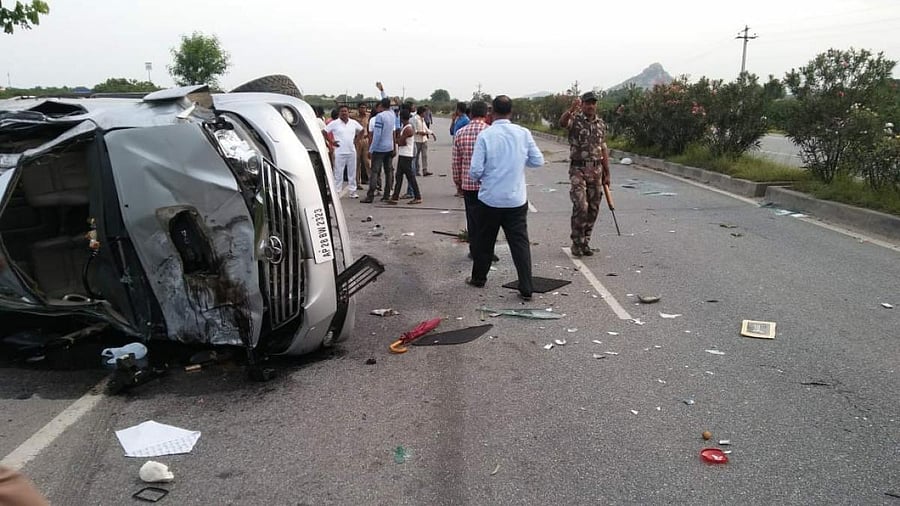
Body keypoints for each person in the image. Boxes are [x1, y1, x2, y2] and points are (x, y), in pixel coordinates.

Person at [467, 95, 544, 301]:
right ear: (511, 112)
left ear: (492, 112)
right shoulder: (523, 133)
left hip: (490, 199)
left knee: (485, 241)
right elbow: (538, 161)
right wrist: (518, 162)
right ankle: (526, 286)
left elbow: (474, 171)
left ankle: (479, 278)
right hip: (516, 199)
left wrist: (488, 176)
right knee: (519, 243)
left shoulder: (486, 135)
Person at [559, 91, 611, 257]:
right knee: (582, 206)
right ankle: (577, 241)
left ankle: (585, 241)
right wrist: (570, 110)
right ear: (582, 105)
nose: (591, 106)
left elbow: (603, 148)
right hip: (578, 170)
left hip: (596, 171)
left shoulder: (601, 124)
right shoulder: (575, 121)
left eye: (593, 103)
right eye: (588, 103)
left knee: (594, 208)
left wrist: (607, 172)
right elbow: (562, 123)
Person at [452, 100, 496, 262]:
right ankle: (488, 251)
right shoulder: (491, 132)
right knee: (489, 220)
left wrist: (458, 182)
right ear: (486, 114)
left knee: (472, 219)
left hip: (469, 184)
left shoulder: (461, 133)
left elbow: (456, 162)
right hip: (488, 185)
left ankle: (475, 249)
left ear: (470, 114)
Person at [361, 97, 397, 203]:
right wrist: (382, 91)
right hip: (389, 147)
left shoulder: (379, 117)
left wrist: (371, 149)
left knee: (375, 172)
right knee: (388, 172)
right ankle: (387, 194)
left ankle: (370, 195)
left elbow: (377, 135)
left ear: (381, 106)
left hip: (379, 148)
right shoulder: (392, 114)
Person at [325, 105, 364, 198]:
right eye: (342, 111)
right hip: (339, 151)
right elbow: (324, 132)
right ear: (339, 113)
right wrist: (331, 142)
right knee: (338, 172)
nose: (344, 113)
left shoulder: (353, 123)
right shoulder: (335, 123)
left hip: (351, 151)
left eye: (345, 111)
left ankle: (352, 191)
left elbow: (362, 130)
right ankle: (337, 191)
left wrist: (357, 140)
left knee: (352, 172)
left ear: (348, 112)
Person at [387, 109, 422, 204]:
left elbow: (401, 142)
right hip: (403, 154)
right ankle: (395, 196)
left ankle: (417, 196)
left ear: (401, 118)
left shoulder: (408, 128)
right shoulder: (405, 127)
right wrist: (398, 140)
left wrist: (396, 140)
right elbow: (400, 141)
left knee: (410, 177)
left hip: (406, 155)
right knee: (399, 176)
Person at [414, 105, 436, 177]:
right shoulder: (415, 119)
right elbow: (414, 130)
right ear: (421, 112)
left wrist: (432, 133)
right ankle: (416, 170)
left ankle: (425, 170)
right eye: (424, 112)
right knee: (416, 156)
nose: (425, 114)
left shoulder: (422, 119)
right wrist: (420, 133)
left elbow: (426, 129)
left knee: (424, 155)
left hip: (424, 140)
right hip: (417, 140)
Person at [355, 102, 372, 186]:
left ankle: (371, 181)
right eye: (361, 107)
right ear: (358, 108)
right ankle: (357, 182)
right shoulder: (355, 117)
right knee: (357, 161)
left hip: (366, 139)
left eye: (364, 108)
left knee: (367, 161)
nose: (363, 109)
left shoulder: (368, 116)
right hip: (357, 139)